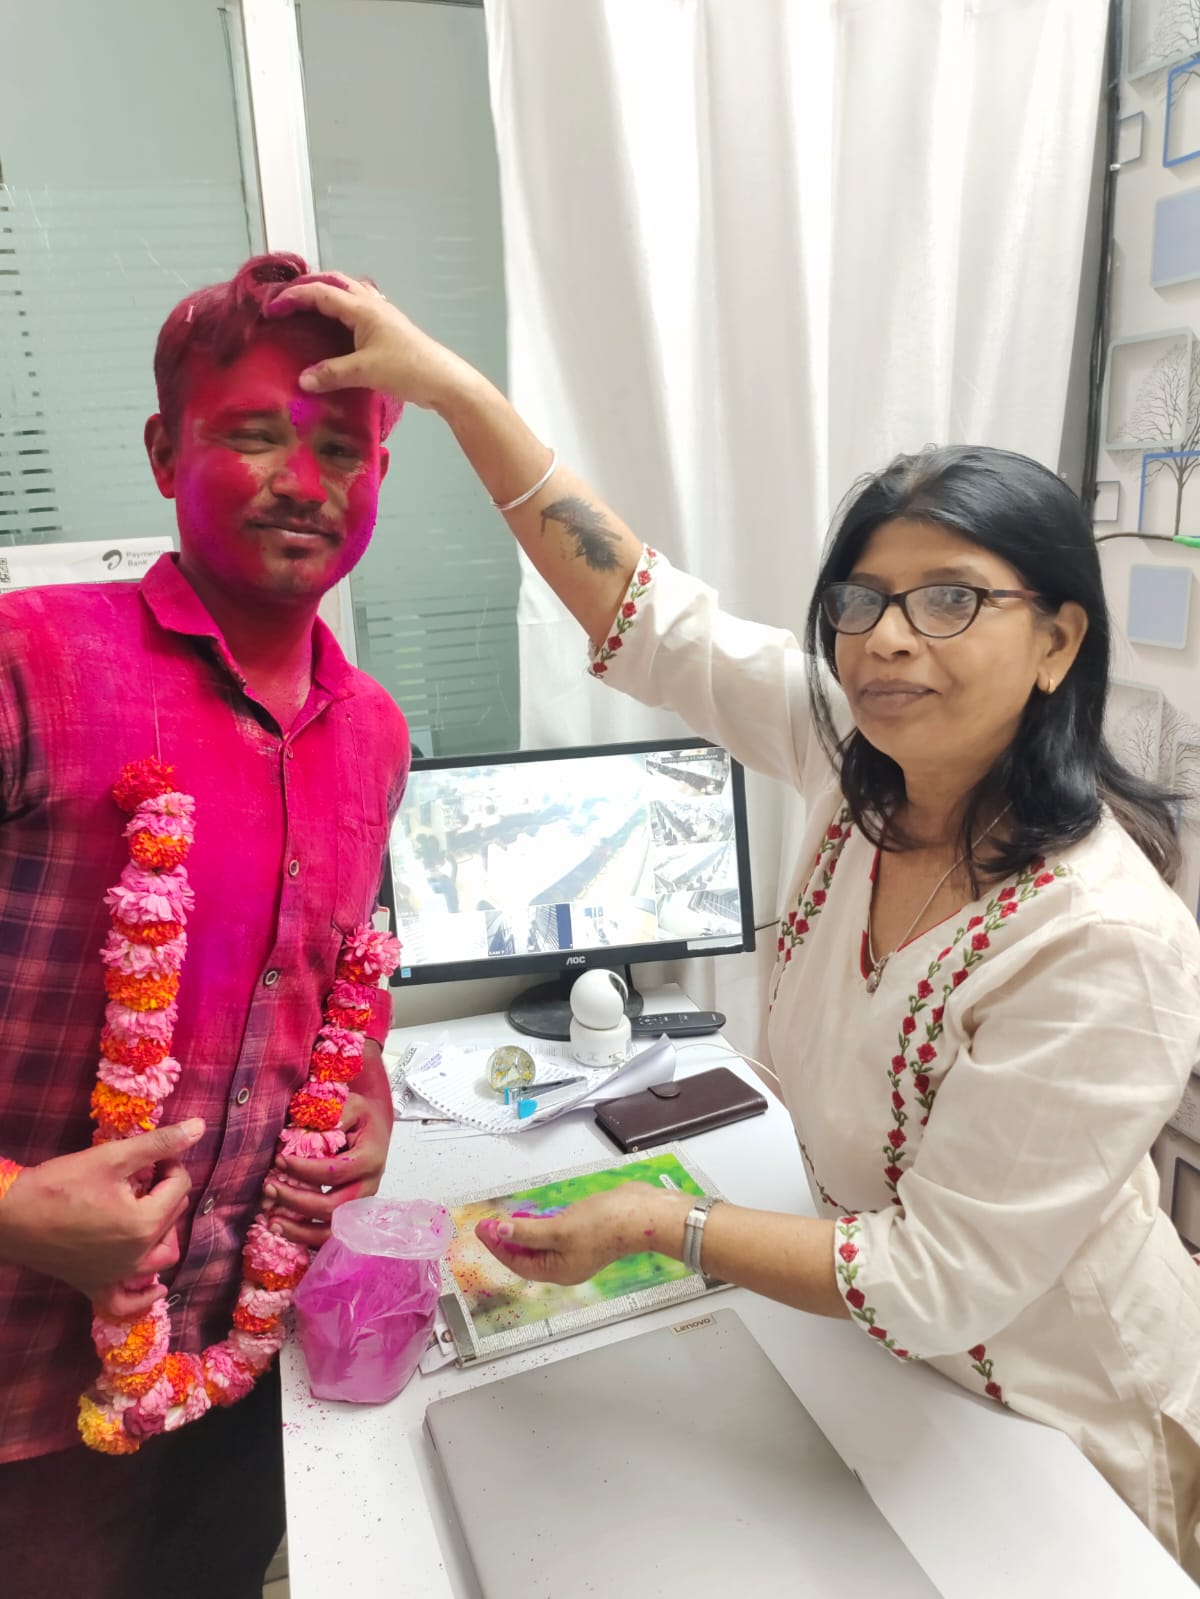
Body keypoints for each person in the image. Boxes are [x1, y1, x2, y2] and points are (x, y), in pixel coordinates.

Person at [264, 273, 1200, 1577]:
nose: (888, 641)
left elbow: (938, 1277)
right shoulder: (857, 769)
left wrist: (662, 1223)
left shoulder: (1105, 942)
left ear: (1057, 641)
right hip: (888, 1368)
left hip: (1057, 1407)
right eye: (862, 600)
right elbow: (651, 618)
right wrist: (459, 395)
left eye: (951, 599)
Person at [0, 255, 410, 1597]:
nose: (305, 480)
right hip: (21, 1396)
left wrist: (369, 1094)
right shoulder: (31, 661)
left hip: (243, 1370)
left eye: (341, 450)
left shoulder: (375, 736)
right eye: (253, 435)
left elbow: (333, 983)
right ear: (164, 449)